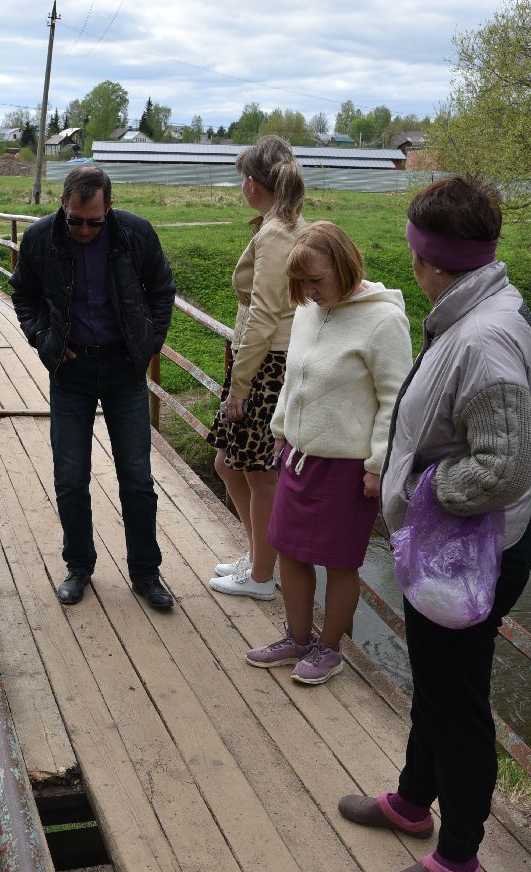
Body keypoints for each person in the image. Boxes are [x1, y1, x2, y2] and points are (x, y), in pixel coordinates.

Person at [337, 175, 531, 872]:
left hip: (468, 554)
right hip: (455, 548)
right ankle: (411, 799)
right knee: (435, 681)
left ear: (426, 257)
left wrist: (426, 496)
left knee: (457, 700)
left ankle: (459, 857)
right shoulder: (480, 309)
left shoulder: (483, 339)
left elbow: (505, 465)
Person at [245, 222, 412, 685]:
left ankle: (330, 649)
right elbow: (293, 379)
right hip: (299, 456)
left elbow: (395, 401)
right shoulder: (307, 312)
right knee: (289, 551)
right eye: (300, 282)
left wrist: (378, 465)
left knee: (340, 562)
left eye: (316, 280)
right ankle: (298, 639)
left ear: (343, 266)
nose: (308, 291)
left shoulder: (384, 321)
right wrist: (280, 431)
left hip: (349, 467)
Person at [8, 165, 178, 611]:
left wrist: (149, 343)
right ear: (62, 204)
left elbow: (162, 290)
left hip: (124, 369)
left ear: (110, 208)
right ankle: (78, 567)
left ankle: (146, 573)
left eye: (95, 222)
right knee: (70, 477)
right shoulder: (40, 238)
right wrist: (43, 339)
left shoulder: (136, 234)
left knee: (137, 478)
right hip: (72, 371)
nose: (84, 231)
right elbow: (23, 293)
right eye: (76, 221)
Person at [205, 136, 306, 601]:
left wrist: (240, 386)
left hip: (266, 366)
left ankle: (262, 577)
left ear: (250, 183)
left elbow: (264, 316)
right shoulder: (283, 224)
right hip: (262, 360)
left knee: (259, 474)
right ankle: (256, 556)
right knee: (229, 463)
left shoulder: (275, 234)